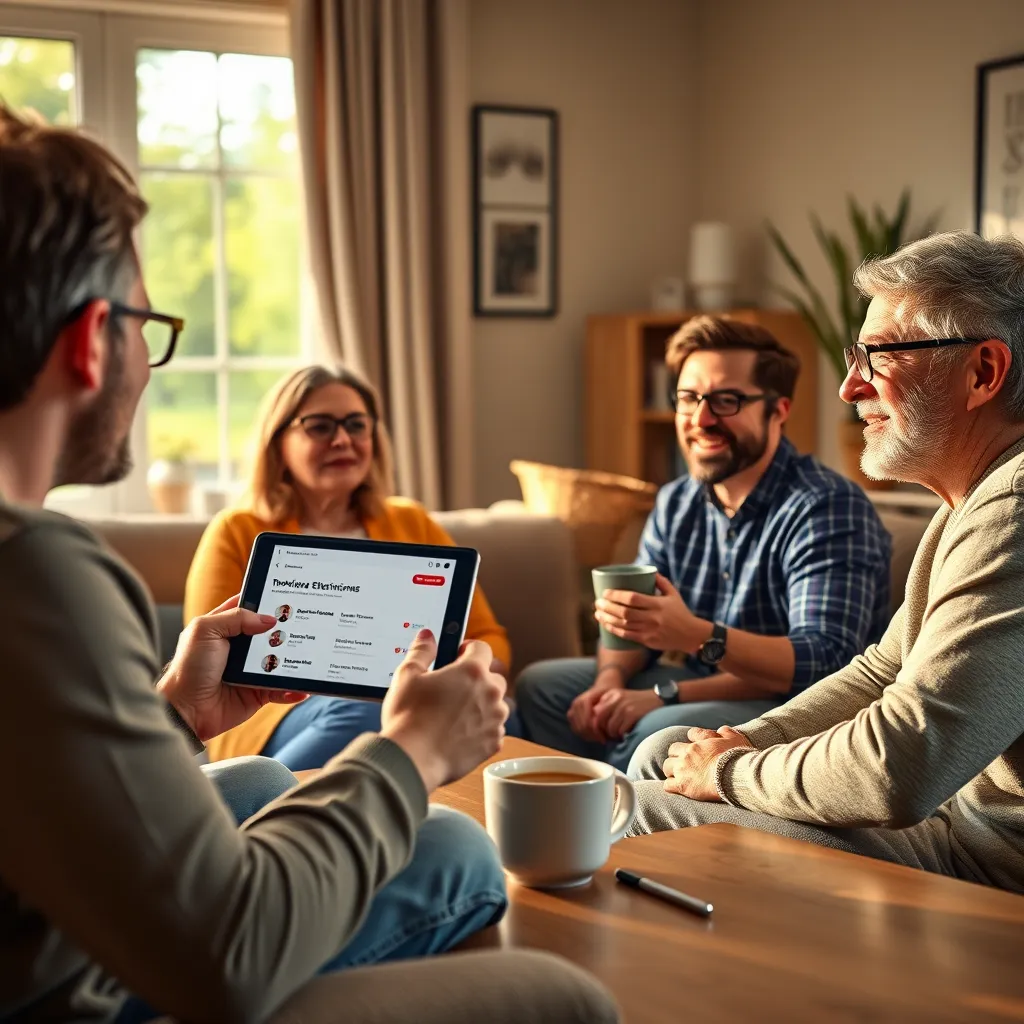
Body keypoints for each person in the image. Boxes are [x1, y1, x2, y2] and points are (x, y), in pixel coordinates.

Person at [0, 105, 618, 1024]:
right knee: (558, 990)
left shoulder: (407, 521)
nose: (146, 358)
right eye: (144, 323)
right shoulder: (41, 575)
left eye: (355, 424)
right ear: (93, 341)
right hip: (76, 994)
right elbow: (227, 959)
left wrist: (178, 709)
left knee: (348, 811)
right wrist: (411, 748)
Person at [625, 231, 1024, 894]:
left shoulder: (1012, 509)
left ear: (983, 372)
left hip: (987, 865)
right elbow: (880, 672)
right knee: (660, 753)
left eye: (880, 356)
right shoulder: (970, 501)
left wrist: (726, 772)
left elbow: (903, 763)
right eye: (854, 357)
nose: (847, 388)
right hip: (954, 825)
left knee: (637, 808)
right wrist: (741, 743)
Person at [514, 316, 892, 770]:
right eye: (688, 398)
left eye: (726, 401)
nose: (701, 419)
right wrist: (609, 682)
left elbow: (824, 662)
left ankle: (617, 823)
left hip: (801, 705)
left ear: (779, 410)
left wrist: (674, 669)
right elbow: (635, 624)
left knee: (655, 733)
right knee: (542, 687)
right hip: (697, 679)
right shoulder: (677, 502)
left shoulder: (827, 507)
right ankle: (577, 813)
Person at [184, 365, 512, 770]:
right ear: (278, 443)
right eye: (320, 427)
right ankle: (264, 819)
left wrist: (464, 667)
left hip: (406, 700)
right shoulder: (236, 530)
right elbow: (219, 658)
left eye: (357, 425)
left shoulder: (412, 522)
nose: (343, 439)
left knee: (496, 714)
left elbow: (488, 636)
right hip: (269, 715)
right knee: (360, 713)